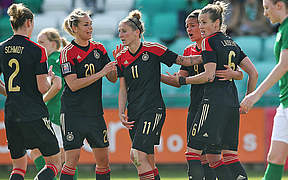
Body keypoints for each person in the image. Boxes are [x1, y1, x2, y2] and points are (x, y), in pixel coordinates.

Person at [170, 1, 258, 179]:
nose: (201, 27)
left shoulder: (208, 41)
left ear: (216, 23)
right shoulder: (231, 42)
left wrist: (183, 80)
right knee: (228, 156)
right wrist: (247, 99)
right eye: (199, 23)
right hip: (232, 103)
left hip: (212, 103)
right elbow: (253, 73)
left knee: (192, 153)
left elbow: (209, 76)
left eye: (204, 22)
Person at [113, 9, 204, 180]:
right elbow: (122, 88)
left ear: (137, 32)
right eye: (119, 31)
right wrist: (120, 111)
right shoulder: (121, 57)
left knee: (136, 156)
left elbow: (183, 61)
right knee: (147, 159)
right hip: (134, 112)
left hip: (152, 109)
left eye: (124, 31)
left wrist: (210, 56)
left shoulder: (153, 48)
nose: (121, 34)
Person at [0, 3, 61, 180]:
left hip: (12, 113)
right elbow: (42, 88)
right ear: (29, 22)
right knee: (54, 163)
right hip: (34, 113)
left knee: (19, 167)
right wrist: (53, 79)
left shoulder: (1, 48)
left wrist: (13, 94)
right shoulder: (38, 50)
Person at [59, 8, 117, 180]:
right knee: (71, 161)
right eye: (86, 25)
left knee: (103, 161)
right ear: (75, 28)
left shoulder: (99, 48)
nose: (90, 28)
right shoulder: (67, 53)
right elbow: (73, 84)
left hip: (95, 113)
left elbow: (112, 79)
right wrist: (100, 73)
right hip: (73, 113)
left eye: (91, 24)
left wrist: (114, 65)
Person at [240, 0, 288, 179]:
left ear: (280, 5)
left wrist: (256, 95)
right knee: (274, 157)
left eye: (267, 8)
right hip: (285, 103)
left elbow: (284, 65)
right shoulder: (283, 29)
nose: (265, 13)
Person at [29, 28, 78, 180]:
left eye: (42, 42)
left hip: (54, 113)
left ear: (54, 43)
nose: (39, 45)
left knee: (41, 153)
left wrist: (40, 100)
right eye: (37, 42)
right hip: (62, 112)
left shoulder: (51, 59)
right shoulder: (60, 58)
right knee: (63, 158)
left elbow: (57, 85)